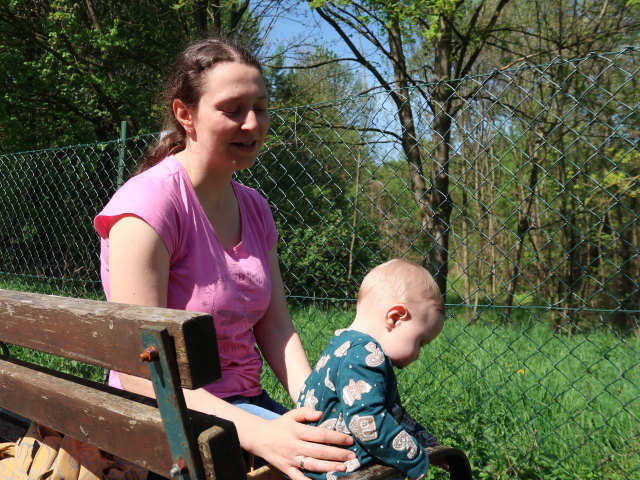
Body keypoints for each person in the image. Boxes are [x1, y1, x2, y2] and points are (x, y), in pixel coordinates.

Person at [93, 37, 355, 480]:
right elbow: (141, 372)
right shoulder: (149, 206)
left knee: (353, 449)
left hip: (239, 411)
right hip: (164, 417)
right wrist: (260, 433)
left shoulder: (255, 207)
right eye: (233, 109)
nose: (252, 124)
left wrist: (316, 405)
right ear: (185, 114)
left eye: (261, 107)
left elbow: (275, 328)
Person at [296, 259, 445, 480]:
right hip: (342, 471)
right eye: (420, 342)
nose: (417, 355)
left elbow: (393, 414)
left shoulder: (341, 344)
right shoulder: (365, 354)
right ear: (395, 318)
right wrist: (415, 459)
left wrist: (429, 444)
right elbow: (367, 422)